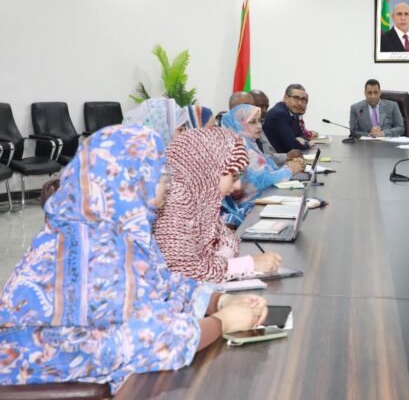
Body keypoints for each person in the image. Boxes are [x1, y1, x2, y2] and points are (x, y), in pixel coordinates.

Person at [0, 125, 267, 393]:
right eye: (160, 174)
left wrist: (219, 301)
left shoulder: (118, 229)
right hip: (58, 389)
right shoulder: (88, 250)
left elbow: (165, 282)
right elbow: (149, 342)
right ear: (130, 180)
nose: (168, 183)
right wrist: (223, 322)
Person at [154, 127, 283, 282]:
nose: (237, 186)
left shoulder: (201, 199)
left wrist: (216, 263)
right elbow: (186, 272)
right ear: (207, 168)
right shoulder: (175, 200)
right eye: (234, 175)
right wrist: (249, 264)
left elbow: (230, 240)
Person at [220, 105, 306, 228]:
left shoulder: (249, 143)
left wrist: (289, 166)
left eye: (259, 121)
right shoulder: (240, 148)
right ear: (238, 124)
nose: (259, 126)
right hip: (250, 210)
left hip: (262, 202)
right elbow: (261, 180)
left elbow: (267, 169)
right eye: (252, 122)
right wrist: (290, 170)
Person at [263, 84, 311, 152]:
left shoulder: (293, 111)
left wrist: (300, 140)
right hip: (278, 156)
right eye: (296, 98)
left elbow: (301, 135)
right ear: (285, 98)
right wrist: (308, 144)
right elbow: (292, 146)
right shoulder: (278, 114)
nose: (300, 103)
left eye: (303, 99)